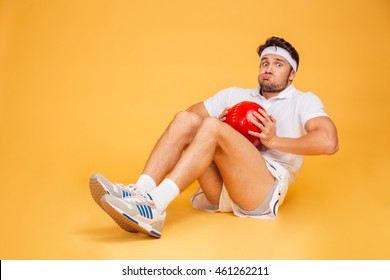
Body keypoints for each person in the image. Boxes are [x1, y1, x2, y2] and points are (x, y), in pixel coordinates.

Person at [89, 36, 339, 238]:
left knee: (211, 126)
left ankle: (153, 206)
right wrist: (217, 128)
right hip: (220, 188)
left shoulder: (303, 100)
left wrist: (274, 141)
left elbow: (328, 142)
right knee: (186, 119)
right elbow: (187, 122)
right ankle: (139, 192)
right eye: (265, 63)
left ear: (292, 74)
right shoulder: (234, 95)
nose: (268, 69)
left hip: (261, 190)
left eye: (278, 64)